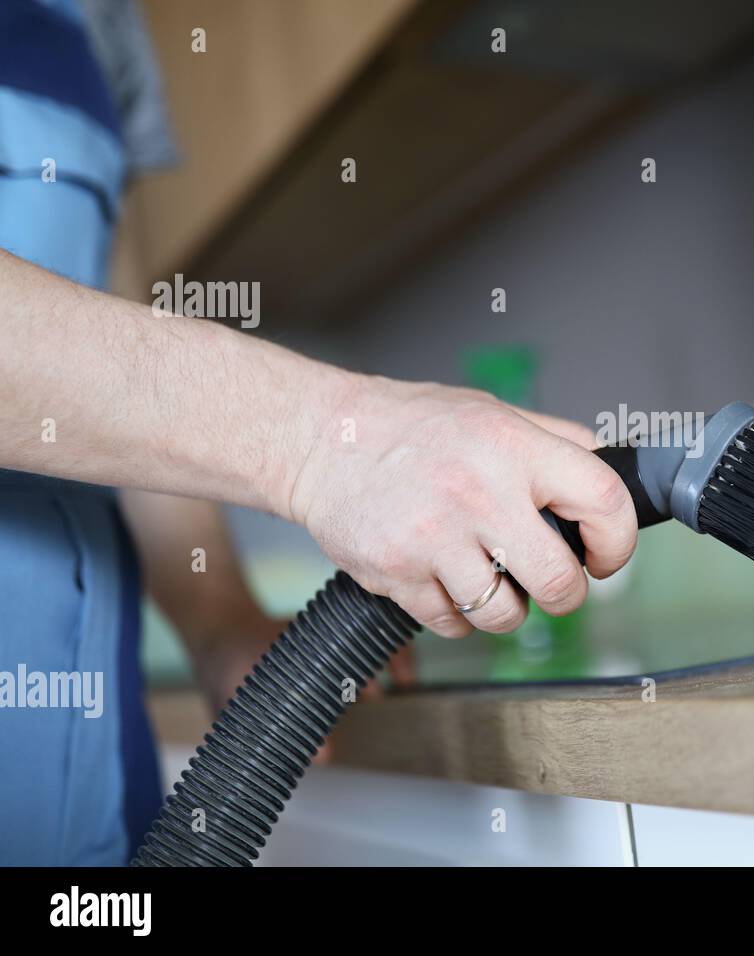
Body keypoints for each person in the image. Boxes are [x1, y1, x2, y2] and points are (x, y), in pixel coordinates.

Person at [0, 0, 636, 865]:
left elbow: (106, 339)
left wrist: (222, 623)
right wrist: (335, 440)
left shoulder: (106, 21)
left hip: (90, 805)